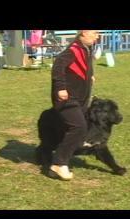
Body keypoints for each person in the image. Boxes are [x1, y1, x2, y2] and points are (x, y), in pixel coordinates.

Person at [49, 30, 99, 180]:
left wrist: (90, 76)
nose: (97, 36)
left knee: (75, 129)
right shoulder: (73, 50)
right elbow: (58, 67)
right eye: (95, 32)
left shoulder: (86, 49)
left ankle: (52, 157)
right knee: (79, 127)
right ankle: (58, 163)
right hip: (67, 98)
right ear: (84, 33)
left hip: (80, 98)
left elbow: (82, 67)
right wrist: (60, 88)